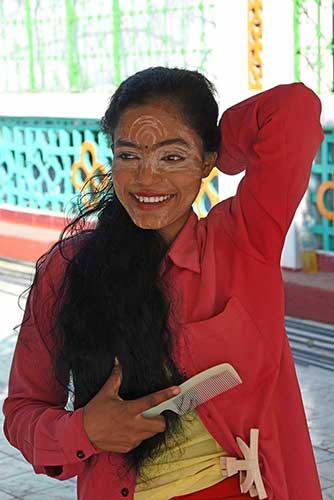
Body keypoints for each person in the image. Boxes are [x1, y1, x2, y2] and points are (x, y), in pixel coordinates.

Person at [2, 67, 324, 500]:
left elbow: (295, 110)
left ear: (205, 161)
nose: (146, 178)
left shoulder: (244, 243)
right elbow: (22, 412)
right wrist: (87, 430)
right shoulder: (68, 269)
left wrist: (220, 149)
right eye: (129, 154)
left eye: (172, 157)